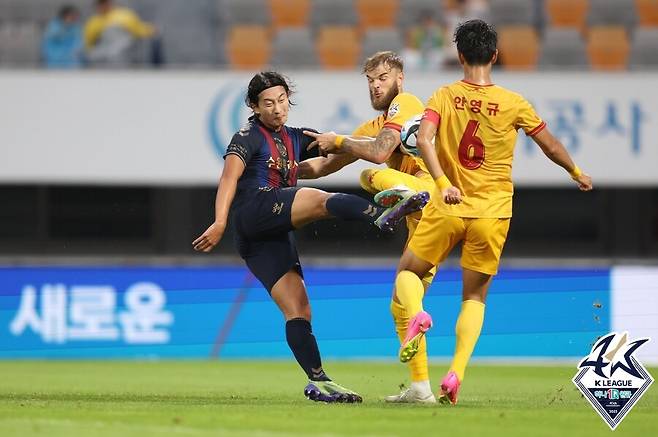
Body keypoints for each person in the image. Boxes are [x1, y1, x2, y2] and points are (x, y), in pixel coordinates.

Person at [192, 71, 429, 404]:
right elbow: (229, 178)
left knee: (299, 309)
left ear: (289, 97)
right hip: (254, 209)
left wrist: (374, 148)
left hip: (263, 236)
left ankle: (320, 381)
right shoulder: (247, 135)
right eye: (267, 103)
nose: (276, 109)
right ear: (254, 107)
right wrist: (219, 222)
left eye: (281, 100)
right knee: (318, 200)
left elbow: (323, 163)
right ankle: (379, 215)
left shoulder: (295, 137)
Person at [393, 19, 593, 405]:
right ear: (496, 56)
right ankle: (456, 373)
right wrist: (576, 171)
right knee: (475, 297)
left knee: (408, 272)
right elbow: (549, 144)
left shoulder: (444, 95)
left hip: (449, 204)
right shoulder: (514, 102)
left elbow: (423, 139)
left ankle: (417, 313)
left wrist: (441, 182)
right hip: (493, 212)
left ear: (459, 55)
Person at [299, 51, 439, 403]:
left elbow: (378, 153)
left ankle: (407, 192)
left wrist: (341, 140)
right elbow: (322, 167)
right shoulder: (370, 129)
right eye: (370, 80)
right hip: (426, 221)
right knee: (401, 300)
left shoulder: (406, 103)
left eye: (383, 77)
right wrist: (279, 169)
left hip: (431, 192)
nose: (376, 86)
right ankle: (422, 388)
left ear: (400, 79)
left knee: (367, 173)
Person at [84, 0, 155, 67]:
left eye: (105, 4)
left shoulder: (124, 15)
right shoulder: (94, 21)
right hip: (103, 51)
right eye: (100, 5)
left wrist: (150, 30)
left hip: (124, 51)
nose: (103, 7)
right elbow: (89, 42)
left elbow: (137, 29)